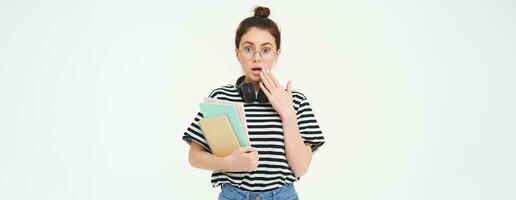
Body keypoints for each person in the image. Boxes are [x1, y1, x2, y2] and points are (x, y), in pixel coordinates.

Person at [182, 6, 325, 200]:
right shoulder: (220, 97)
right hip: (234, 195)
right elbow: (194, 157)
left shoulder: (296, 100)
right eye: (248, 49)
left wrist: (288, 113)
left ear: (277, 54)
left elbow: (300, 168)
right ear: (237, 53)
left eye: (266, 50)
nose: (257, 58)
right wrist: (230, 162)